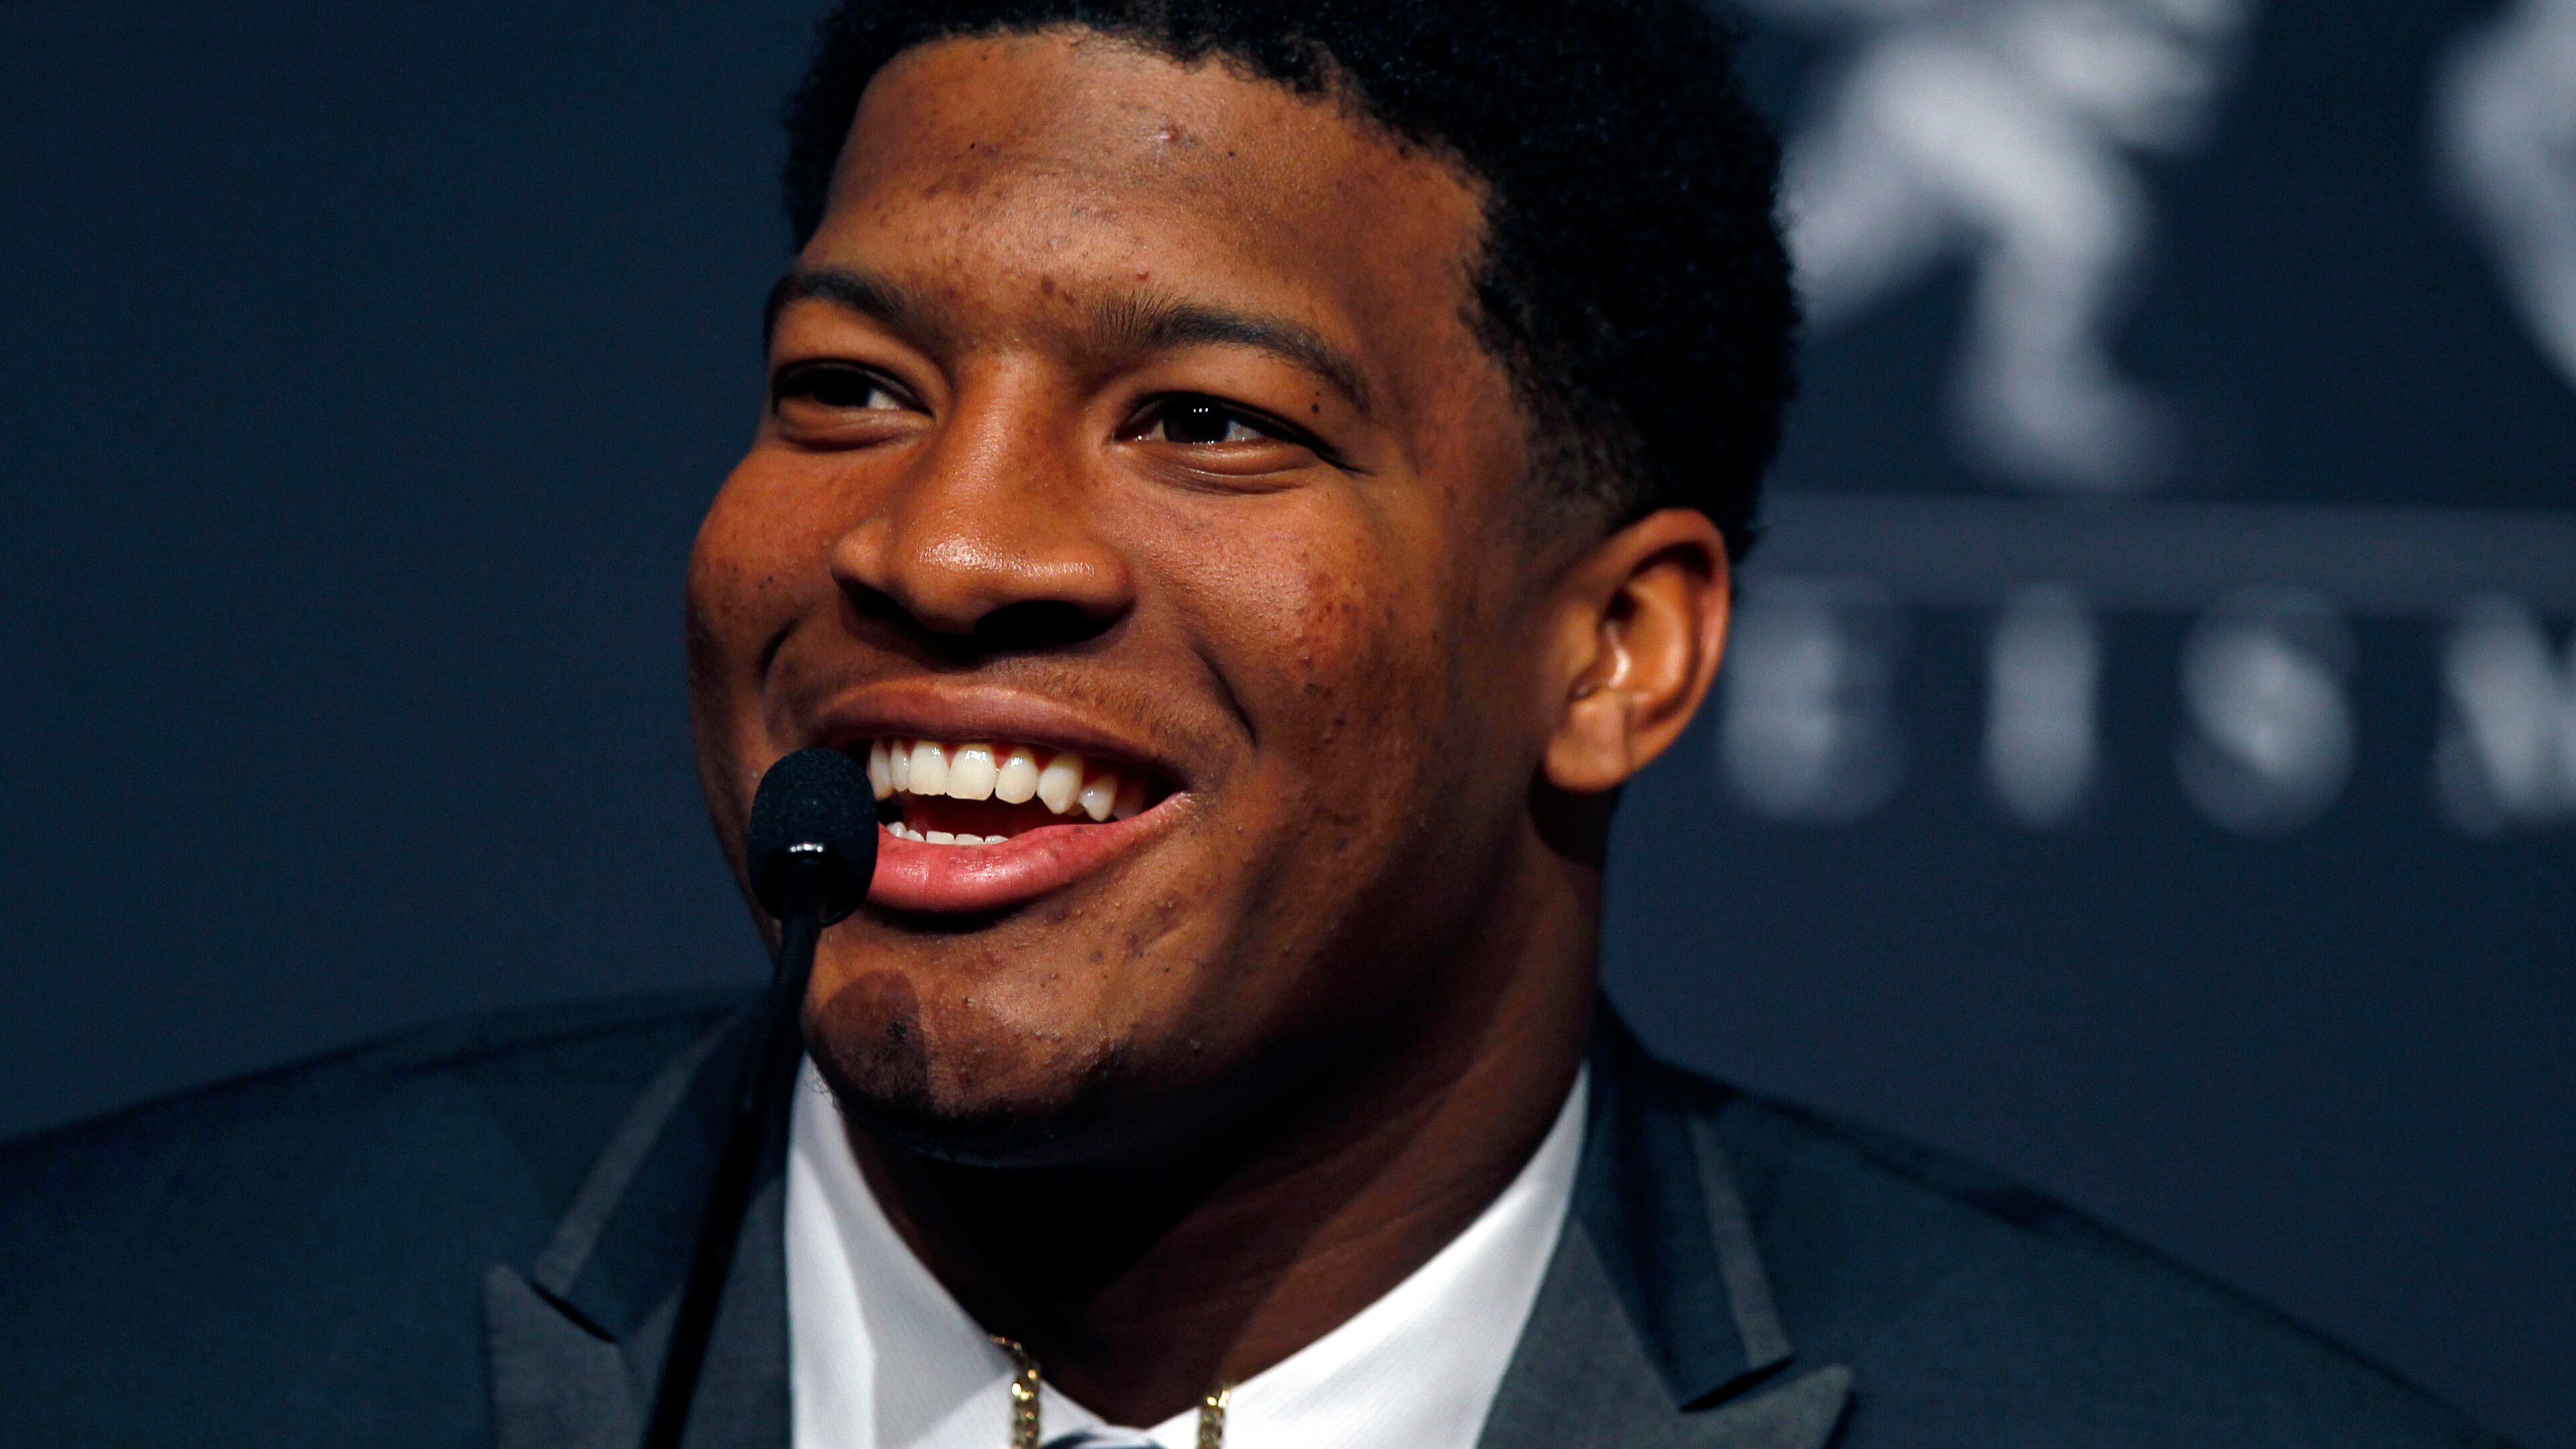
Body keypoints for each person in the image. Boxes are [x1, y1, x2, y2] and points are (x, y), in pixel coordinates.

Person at [0, 1, 2512, 1445]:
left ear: (1616, 651)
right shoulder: (111, 1349)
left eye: (1205, 421)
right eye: (850, 384)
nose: (941, 548)